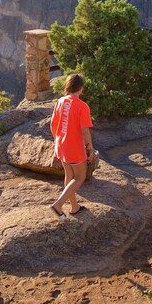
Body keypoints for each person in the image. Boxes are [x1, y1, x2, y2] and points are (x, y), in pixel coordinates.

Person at [50, 74, 95, 219]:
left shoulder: (60, 101)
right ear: (81, 88)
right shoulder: (82, 106)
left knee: (69, 175)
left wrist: (58, 139)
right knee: (79, 177)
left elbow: (53, 124)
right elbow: (84, 131)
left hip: (61, 144)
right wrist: (90, 149)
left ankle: (74, 207)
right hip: (74, 147)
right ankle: (58, 204)